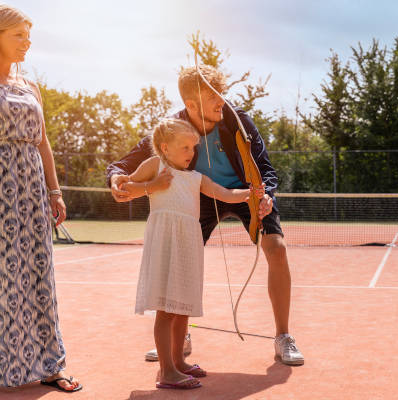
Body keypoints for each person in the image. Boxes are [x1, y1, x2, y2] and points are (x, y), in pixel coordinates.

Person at [107, 65, 304, 365]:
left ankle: (283, 336)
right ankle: (178, 338)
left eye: (221, 94)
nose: (221, 102)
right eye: (213, 97)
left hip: (244, 191)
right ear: (191, 105)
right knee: (183, 263)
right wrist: (115, 178)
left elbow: (265, 167)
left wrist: (266, 195)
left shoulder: (238, 120)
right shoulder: (173, 128)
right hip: (198, 195)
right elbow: (126, 163)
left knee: (276, 248)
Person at [123, 118, 258, 389]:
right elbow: (125, 188)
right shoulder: (155, 166)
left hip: (188, 244)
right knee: (166, 311)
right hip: (164, 244)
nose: (191, 153)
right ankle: (167, 371)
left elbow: (225, 193)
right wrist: (153, 186)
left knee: (182, 308)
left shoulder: (196, 178)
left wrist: (250, 193)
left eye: (193, 148)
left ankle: (178, 362)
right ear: (165, 147)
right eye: (185, 147)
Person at [0, 4, 82, 392]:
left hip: (31, 190)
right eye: (19, 35)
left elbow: (43, 142)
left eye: (28, 36)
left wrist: (54, 190)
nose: (26, 43)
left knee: (37, 274)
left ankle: (51, 364)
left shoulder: (29, 86)